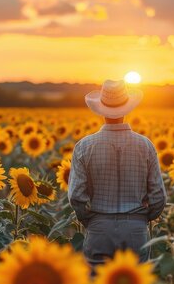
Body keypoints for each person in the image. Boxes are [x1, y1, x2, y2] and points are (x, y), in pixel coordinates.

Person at [68, 79, 167, 267]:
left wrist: (89, 220)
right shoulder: (145, 145)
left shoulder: (84, 146)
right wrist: (144, 218)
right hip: (136, 228)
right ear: (128, 109)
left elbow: (76, 196)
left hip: (99, 226)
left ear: (100, 110)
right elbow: (159, 196)